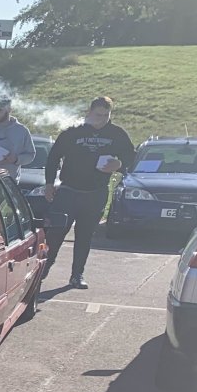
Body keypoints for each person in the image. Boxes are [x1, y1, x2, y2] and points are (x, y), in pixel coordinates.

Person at [42, 96, 136, 289]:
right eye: (98, 115)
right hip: (68, 190)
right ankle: (42, 270)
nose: (101, 119)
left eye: (106, 115)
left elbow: (131, 157)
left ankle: (77, 275)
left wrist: (118, 164)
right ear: (89, 112)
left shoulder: (116, 134)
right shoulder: (73, 131)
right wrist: (49, 183)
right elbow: (53, 157)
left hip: (96, 192)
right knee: (56, 234)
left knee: (84, 236)